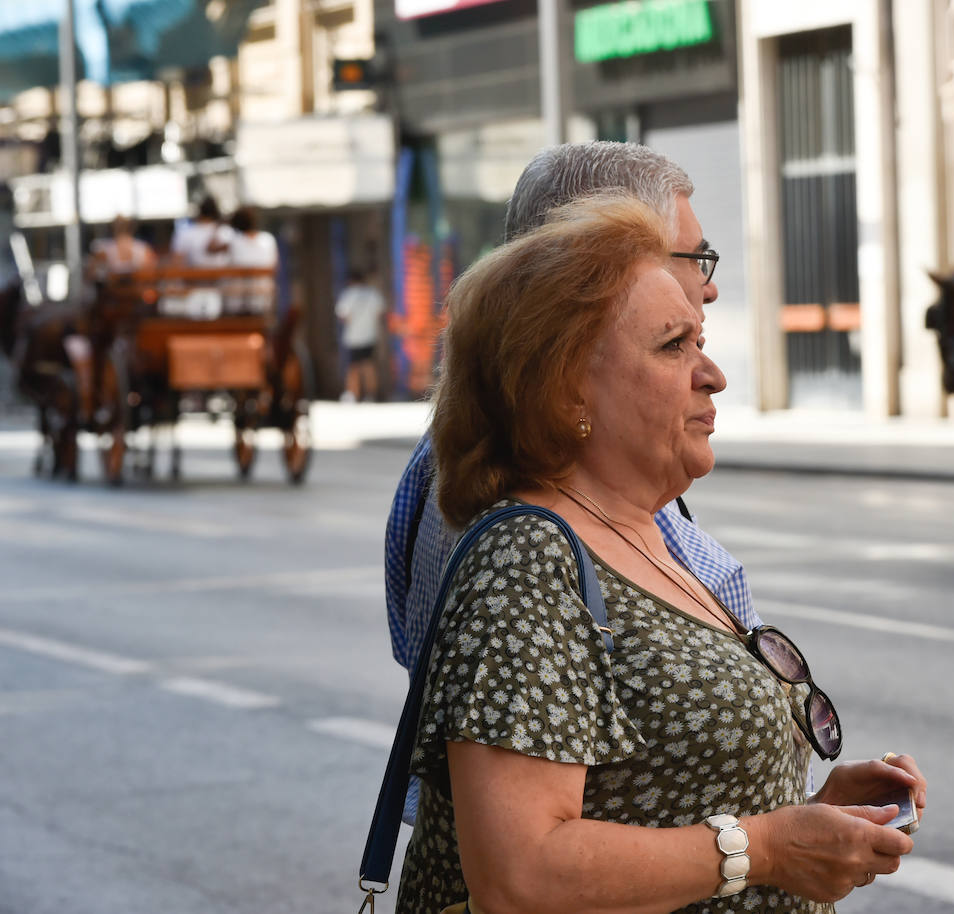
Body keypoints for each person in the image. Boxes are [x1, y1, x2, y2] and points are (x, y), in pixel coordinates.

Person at [397, 193, 924, 913]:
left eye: (700, 344)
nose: (712, 375)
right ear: (566, 388)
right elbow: (522, 874)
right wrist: (768, 847)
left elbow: (665, 805)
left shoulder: (641, 533)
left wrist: (818, 814)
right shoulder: (527, 557)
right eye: (674, 345)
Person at [385, 142, 768, 825]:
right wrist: (758, 852)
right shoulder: (520, 535)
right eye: (689, 257)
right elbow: (527, 851)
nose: (707, 285)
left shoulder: (602, 484)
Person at [334, 268, 385, 401]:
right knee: (369, 365)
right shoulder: (373, 294)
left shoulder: (348, 294)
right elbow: (380, 313)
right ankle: (371, 395)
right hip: (370, 335)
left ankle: (353, 394)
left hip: (353, 337)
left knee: (353, 367)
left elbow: (343, 316)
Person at [223, 205, 278, 313]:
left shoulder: (234, 242)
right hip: (263, 298)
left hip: (237, 301)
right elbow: (276, 266)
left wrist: (221, 224)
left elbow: (211, 249)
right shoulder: (268, 240)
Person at [170, 195, 233, 268]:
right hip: (221, 277)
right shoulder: (228, 231)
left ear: (199, 212)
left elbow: (177, 262)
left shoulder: (185, 232)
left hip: (196, 277)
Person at [88, 215, 156, 279]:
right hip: (138, 289)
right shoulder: (143, 248)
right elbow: (152, 271)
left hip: (113, 290)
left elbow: (91, 273)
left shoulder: (105, 249)